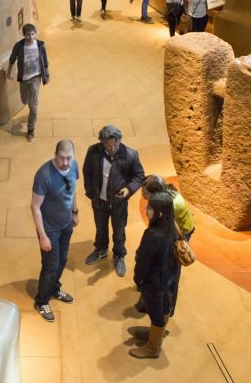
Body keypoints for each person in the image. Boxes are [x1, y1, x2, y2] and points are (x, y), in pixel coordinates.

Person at [82, 125, 145, 278]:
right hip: (99, 202)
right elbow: (87, 172)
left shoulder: (130, 155)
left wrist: (129, 189)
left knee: (119, 232)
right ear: (102, 143)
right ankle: (101, 250)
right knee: (100, 228)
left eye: (114, 144)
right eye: (107, 145)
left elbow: (139, 176)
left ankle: (118, 256)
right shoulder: (93, 152)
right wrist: (91, 193)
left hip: (118, 203)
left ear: (119, 140)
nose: (111, 148)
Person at [31, 140, 80, 323]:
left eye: (69, 157)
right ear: (55, 154)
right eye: (62, 158)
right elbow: (35, 207)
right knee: (51, 266)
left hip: (66, 224)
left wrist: (75, 211)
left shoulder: (74, 165)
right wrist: (43, 236)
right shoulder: (44, 175)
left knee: (63, 259)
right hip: (50, 229)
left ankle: (54, 288)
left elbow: (73, 188)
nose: (66, 162)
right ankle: (42, 300)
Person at [129, 192, 180, 358]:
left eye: (150, 208)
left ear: (159, 213)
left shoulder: (152, 235)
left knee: (155, 312)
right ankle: (156, 334)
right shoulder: (172, 228)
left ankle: (152, 347)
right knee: (164, 306)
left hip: (154, 282)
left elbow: (144, 262)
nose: (146, 210)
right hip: (168, 278)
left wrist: (139, 279)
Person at [7, 23, 49, 142]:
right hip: (24, 79)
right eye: (27, 35)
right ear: (24, 35)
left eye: (32, 34)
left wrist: (47, 74)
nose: (30, 37)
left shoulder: (40, 45)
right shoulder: (19, 46)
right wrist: (9, 73)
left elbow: (45, 60)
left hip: (36, 77)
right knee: (24, 99)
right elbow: (12, 60)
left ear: (35, 34)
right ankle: (31, 99)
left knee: (33, 107)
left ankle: (31, 130)